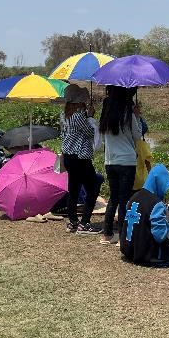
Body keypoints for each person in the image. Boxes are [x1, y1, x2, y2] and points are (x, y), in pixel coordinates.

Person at [98, 86, 143, 244]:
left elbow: (102, 138)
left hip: (110, 161)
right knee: (125, 200)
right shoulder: (127, 114)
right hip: (127, 162)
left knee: (114, 198)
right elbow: (138, 135)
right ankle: (123, 237)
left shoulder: (105, 115)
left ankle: (107, 234)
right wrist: (137, 116)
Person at [61, 85, 104, 235]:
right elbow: (89, 132)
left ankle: (72, 222)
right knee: (93, 187)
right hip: (80, 157)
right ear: (79, 101)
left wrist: (87, 116)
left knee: (73, 189)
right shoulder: (79, 116)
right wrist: (91, 116)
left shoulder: (64, 115)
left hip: (68, 156)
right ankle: (85, 222)